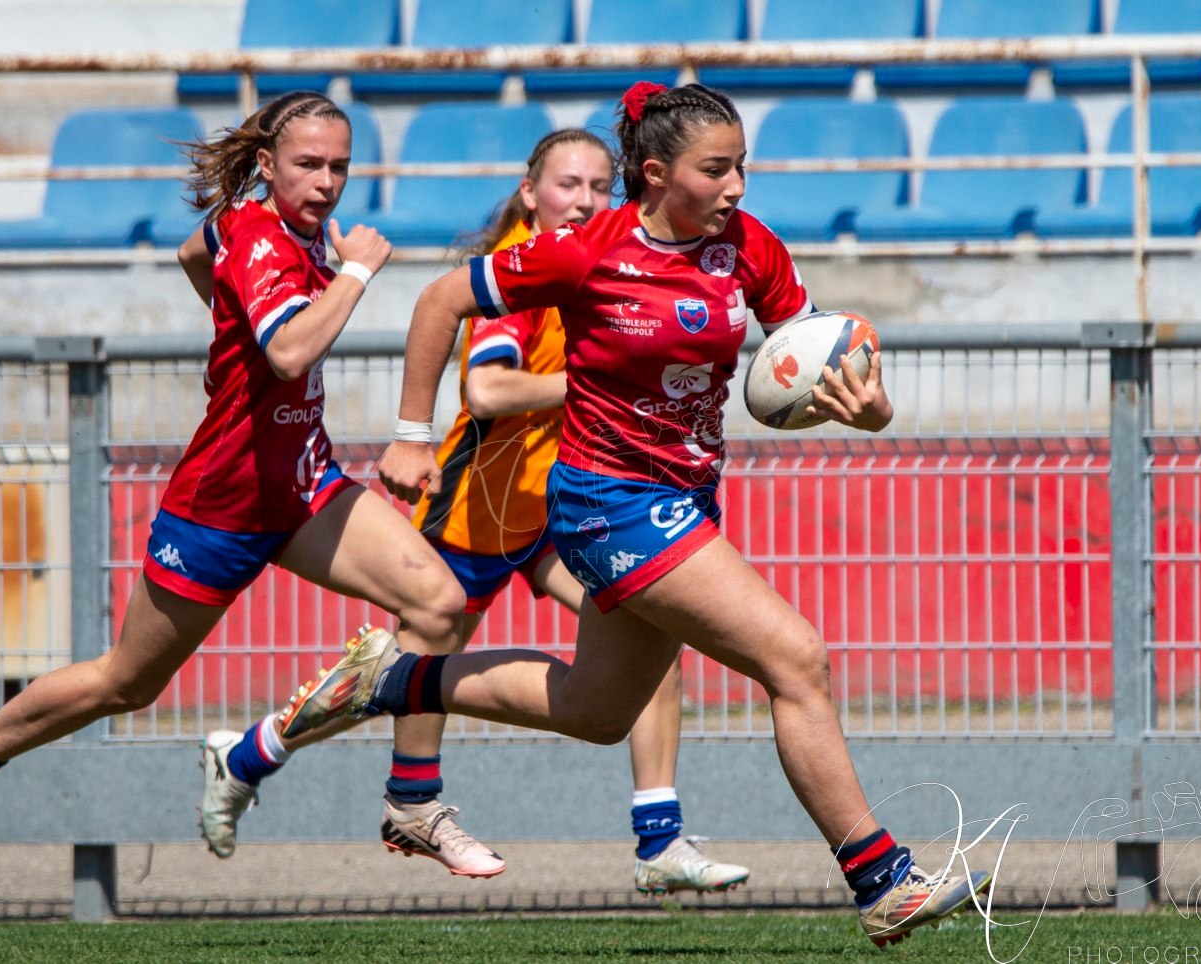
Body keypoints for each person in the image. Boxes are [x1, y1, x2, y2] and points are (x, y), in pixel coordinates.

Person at [285, 82, 993, 949]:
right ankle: (881, 878)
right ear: (655, 174)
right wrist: (409, 435)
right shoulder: (584, 251)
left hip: (683, 497)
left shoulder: (748, 246)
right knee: (796, 658)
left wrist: (865, 404)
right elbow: (441, 303)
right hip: (605, 502)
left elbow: (812, 353)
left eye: (741, 166)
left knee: (597, 711)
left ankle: (385, 681)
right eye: (716, 168)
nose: (737, 186)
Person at [0, 90, 502, 877]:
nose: (326, 182)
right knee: (127, 682)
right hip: (222, 504)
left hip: (303, 483)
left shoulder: (274, 232)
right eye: (309, 165)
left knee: (438, 602)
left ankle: (411, 802)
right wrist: (354, 274)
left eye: (340, 167)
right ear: (267, 164)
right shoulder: (262, 239)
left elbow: (192, 253)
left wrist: (233, 318)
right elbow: (287, 354)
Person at [198, 127, 750, 894]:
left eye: (598, 186)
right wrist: (602, 387)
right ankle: (259, 753)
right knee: (406, 673)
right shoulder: (523, 269)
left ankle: (658, 839)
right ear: (530, 194)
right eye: (567, 185)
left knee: (653, 631)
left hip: (559, 512)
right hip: (478, 511)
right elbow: (489, 390)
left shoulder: (611, 256)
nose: (585, 200)